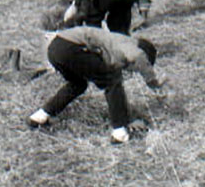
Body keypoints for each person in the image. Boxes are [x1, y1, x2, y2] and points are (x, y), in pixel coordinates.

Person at [28, 26, 164, 144]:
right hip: (71, 47)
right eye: (135, 68)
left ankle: (40, 116)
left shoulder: (114, 43)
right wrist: (152, 82)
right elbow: (138, 56)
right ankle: (120, 132)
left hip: (55, 49)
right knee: (112, 81)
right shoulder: (130, 44)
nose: (133, 69)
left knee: (77, 84)